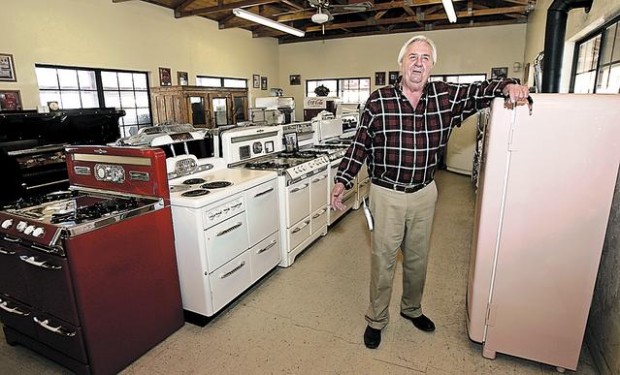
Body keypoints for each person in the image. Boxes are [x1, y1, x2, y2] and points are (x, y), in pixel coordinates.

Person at [330, 35, 530, 349]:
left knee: (418, 259)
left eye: (425, 57)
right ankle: (377, 319)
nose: (419, 63)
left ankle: (411, 309)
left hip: (425, 193)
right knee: (383, 261)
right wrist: (342, 180)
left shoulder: (445, 96)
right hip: (386, 194)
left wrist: (509, 85)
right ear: (401, 63)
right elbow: (359, 145)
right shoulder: (379, 100)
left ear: (432, 66)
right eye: (413, 56)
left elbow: (480, 91)